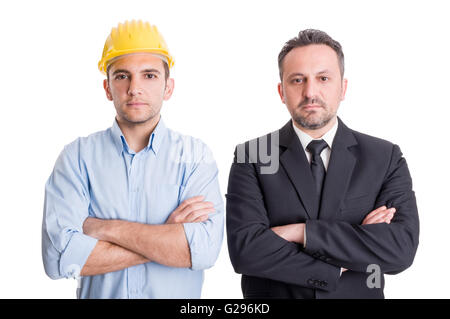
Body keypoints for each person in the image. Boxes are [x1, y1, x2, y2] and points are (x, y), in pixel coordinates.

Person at [226, 29, 419, 299]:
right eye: (297, 80)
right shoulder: (253, 155)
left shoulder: (384, 156)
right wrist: (346, 255)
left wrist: (300, 232)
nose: (310, 92)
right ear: (282, 91)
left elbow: (400, 250)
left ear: (343, 88)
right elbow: (245, 252)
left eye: (323, 78)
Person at [42, 20, 224, 299]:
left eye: (149, 75)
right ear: (107, 88)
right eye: (122, 76)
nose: (134, 88)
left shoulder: (195, 157)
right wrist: (165, 238)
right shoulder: (76, 158)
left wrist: (102, 228)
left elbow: (202, 251)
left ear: (168, 87)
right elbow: (60, 259)